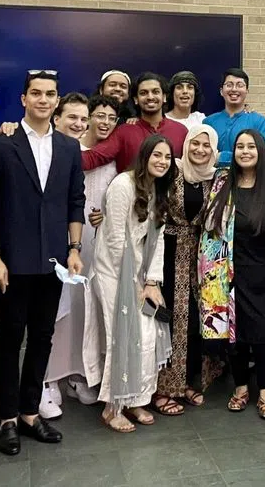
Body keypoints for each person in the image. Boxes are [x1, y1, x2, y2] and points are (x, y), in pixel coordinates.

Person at [0, 70, 85, 456]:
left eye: (50, 94)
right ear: (23, 99)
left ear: (57, 101)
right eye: (35, 93)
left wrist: (74, 249)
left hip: (54, 261)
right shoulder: (2, 146)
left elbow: (76, 201)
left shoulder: (70, 148)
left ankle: (28, 412)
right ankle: (5, 416)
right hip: (13, 262)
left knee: (43, 338)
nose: (43, 99)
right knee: (9, 338)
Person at [198, 129, 265, 419]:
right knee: (232, 336)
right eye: (240, 146)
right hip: (225, 273)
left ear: (261, 150)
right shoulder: (222, 182)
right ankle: (240, 387)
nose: (245, 151)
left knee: (264, 336)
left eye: (252, 146)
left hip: (264, 272)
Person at [94, 136, 175, 432]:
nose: (162, 161)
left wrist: (151, 281)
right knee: (123, 337)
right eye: (157, 155)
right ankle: (112, 406)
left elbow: (158, 240)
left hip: (140, 271)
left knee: (148, 334)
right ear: (144, 155)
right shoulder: (123, 186)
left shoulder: (158, 188)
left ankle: (137, 399)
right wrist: (131, 281)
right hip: (114, 272)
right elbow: (115, 239)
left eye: (167, 157)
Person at [39, 93, 112, 420]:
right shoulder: (45, 152)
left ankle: (77, 373)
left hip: (90, 244)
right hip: (54, 243)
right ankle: (48, 379)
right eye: (79, 117)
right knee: (54, 311)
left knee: (84, 310)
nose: (83, 124)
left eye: (87, 119)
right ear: (57, 116)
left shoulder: (100, 156)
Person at [154, 124, 220, 412]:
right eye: (195, 143)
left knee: (196, 319)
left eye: (206, 145)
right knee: (167, 318)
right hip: (166, 252)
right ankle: (161, 389)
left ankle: (189, 382)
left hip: (200, 255)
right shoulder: (172, 172)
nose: (200, 150)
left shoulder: (216, 179)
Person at [81, 72, 187, 172]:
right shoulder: (124, 131)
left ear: (164, 97)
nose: (150, 97)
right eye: (143, 93)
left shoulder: (181, 131)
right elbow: (93, 157)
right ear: (136, 99)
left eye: (155, 92)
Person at [205, 69, 265, 167]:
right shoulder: (209, 122)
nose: (234, 89)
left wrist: (222, 157)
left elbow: (264, 155)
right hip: (212, 180)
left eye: (240, 85)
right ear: (221, 91)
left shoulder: (259, 122)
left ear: (247, 91)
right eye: (229, 85)